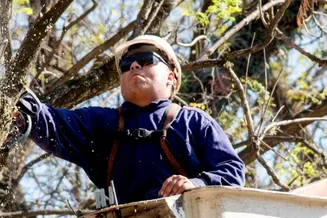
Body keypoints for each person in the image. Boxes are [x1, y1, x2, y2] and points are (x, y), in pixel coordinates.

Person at [18, 35, 246, 204]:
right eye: (127, 65)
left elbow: (232, 171)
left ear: (171, 77)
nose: (135, 66)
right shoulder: (99, 123)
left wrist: (196, 184)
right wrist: (18, 107)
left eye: (147, 60)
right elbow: (50, 121)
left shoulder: (193, 122)